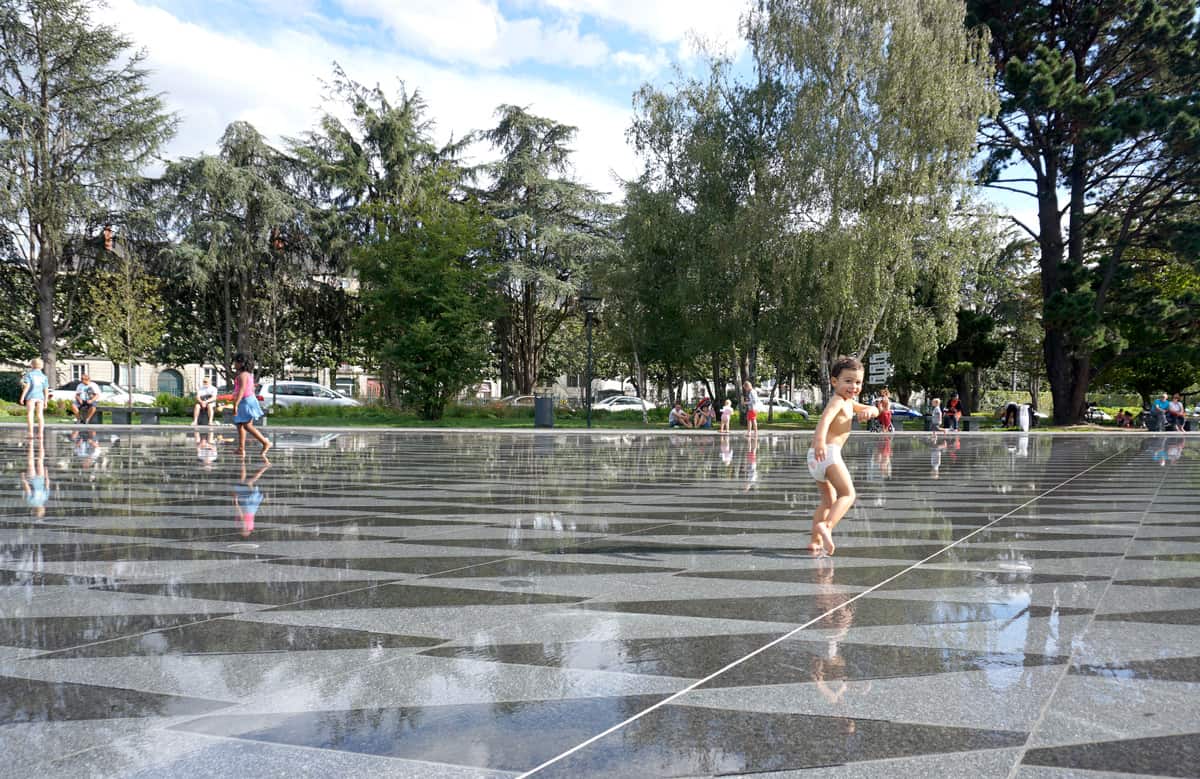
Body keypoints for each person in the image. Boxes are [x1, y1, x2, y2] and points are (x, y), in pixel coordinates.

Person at [806, 356, 878, 556]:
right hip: (827, 452)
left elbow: (871, 408)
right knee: (848, 494)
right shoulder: (838, 400)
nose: (853, 386)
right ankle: (827, 526)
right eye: (848, 381)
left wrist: (870, 411)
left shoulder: (848, 401)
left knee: (828, 501)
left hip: (815, 457)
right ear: (834, 381)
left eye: (858, 382)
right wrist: (820, 441)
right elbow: (825, 419)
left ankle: (815, 541)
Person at [231, 353, 271, 459]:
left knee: (247, 425)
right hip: (247, 400)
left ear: (242, 363)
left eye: (236, 362)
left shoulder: (243, 375)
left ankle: (265, 442)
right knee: (240, 424)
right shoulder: (247, 374)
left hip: (245, 401)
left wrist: (236, 404)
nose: (234, 364)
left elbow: (242, 390)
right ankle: (241, 448)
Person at [234, 460, 270, 537]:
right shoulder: (242, 526)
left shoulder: (250, 527)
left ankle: (243, 461)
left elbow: (241, 516)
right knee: (246, 482)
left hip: (250, 508)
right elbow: (240, 514)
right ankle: (263, 467)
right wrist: (236, 502)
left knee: (244, 481)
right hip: (247, 505)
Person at [21, 435, 50, 519]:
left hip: (40, 478)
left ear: (43, 509)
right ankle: (31, 443)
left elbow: (47, 484)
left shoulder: (45, 499)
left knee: (40, 461)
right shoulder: (31, 502)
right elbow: (28, 489)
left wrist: (46, 473)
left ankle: (40, 442)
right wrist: (23, 479)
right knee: (31, 461)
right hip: (32, 479)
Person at [19, 358, 49, 436]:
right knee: (40, 415)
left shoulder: (29, 375)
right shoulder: (44, 376)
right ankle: (40, 433)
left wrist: (22, 397)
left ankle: (31, 433)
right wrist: (46, 401)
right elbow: (46, 390)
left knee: (30, 414)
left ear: (32, 365)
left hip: (31, 396)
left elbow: (27, 387)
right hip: (40, 397)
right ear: (42, 366)